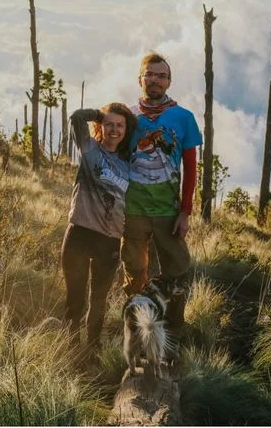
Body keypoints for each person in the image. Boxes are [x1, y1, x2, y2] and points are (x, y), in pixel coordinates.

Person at [120, 52, 202, 362]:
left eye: (162, 76)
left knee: (178, 271)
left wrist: (185, 211)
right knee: (134, 273)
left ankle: (172, 336)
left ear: (169, 81)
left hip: (168, 212)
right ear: (139, 79)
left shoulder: (183, 118)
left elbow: (192, 169)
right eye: (150, 74)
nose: (155, 80)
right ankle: (140, 335)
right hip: (133, 211)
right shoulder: (128, 117)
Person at [62, 103, 138, 352]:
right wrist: (98, 114)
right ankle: (71, 349)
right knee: (75, 297)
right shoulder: (90, 149)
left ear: (126, 130)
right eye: (109, 124)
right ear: (101, 126)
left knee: (99, 300)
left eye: (119, 125)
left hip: (109, 240)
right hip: (80, 233)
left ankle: (93, 349)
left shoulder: (129, 166)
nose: (114, 130)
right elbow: (75, 116)